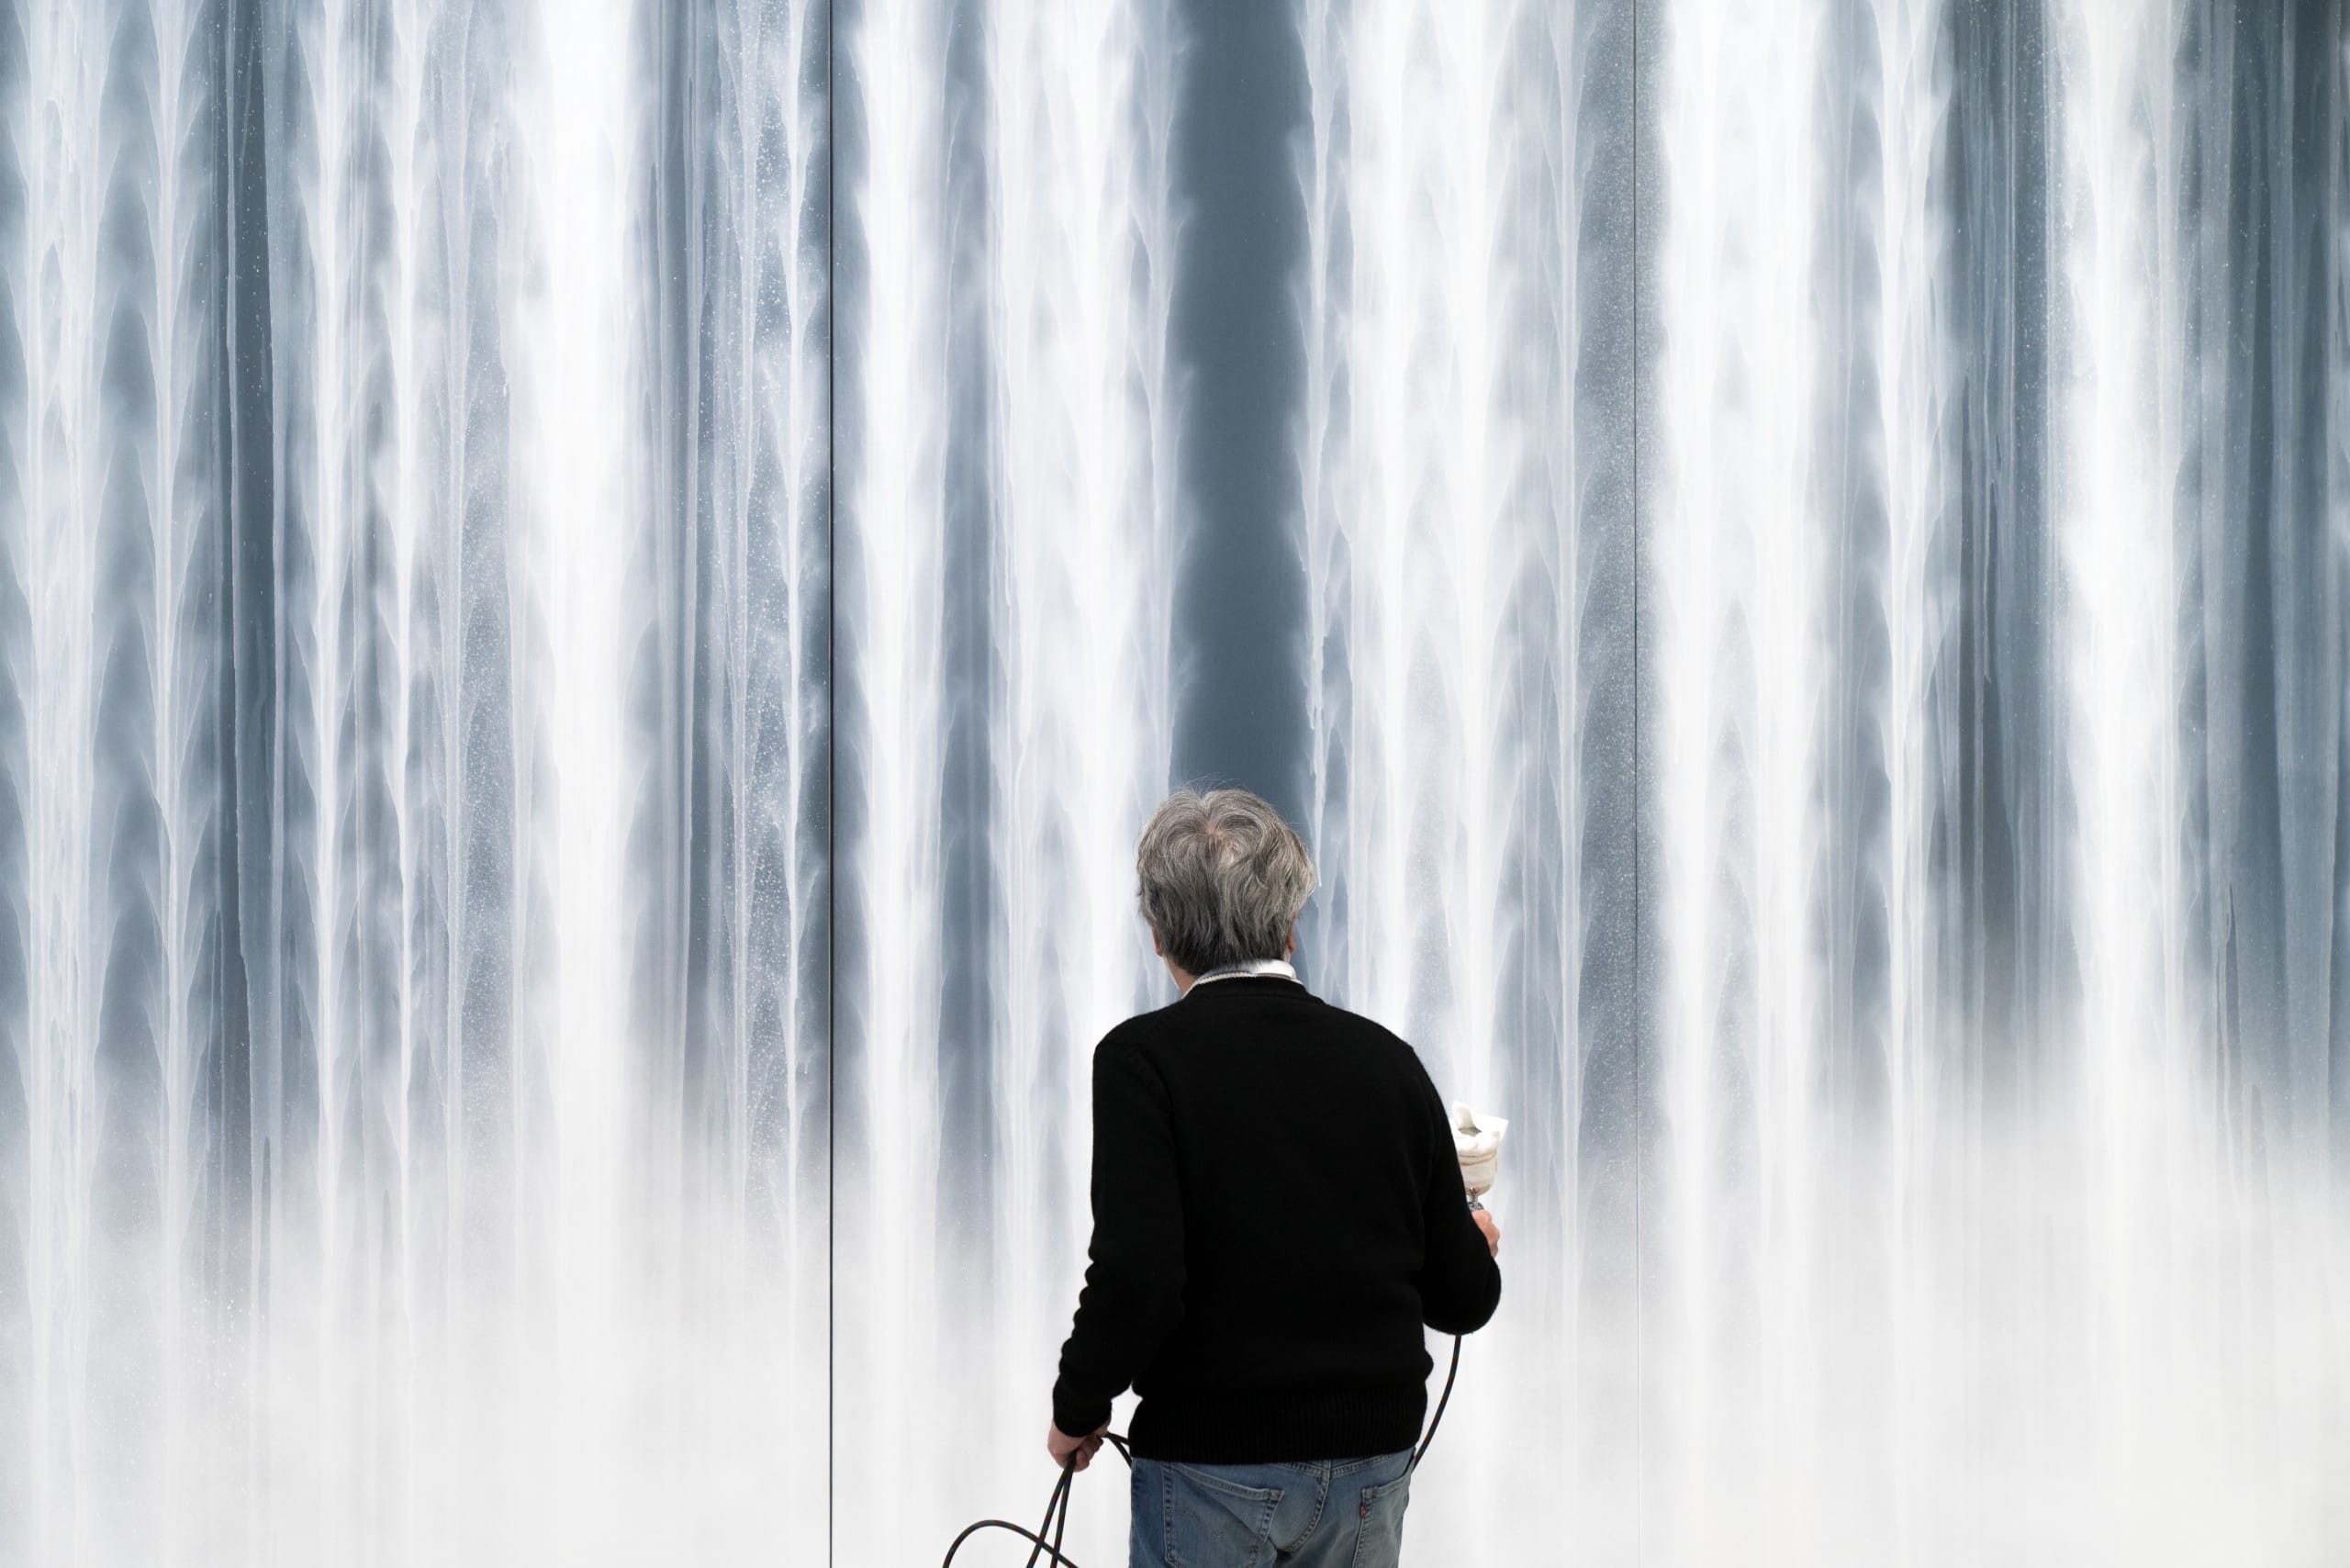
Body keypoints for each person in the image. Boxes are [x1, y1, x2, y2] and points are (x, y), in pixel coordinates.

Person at [1047, 788, 1503, 1568]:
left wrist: (1078, 1407)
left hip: (1210, 1460)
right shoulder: (1389, 1065)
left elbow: (1139, 1275)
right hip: (1372, 1462)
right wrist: (1475, 1240)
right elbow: (1462, 1301)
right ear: (1290, 926)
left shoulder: (1139, 1063)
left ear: (1159, 935)